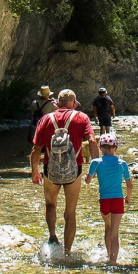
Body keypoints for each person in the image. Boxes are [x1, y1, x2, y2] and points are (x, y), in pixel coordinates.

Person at [31, 89, 100, 255]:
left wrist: (34, 171)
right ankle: (67, 252)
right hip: (74, 171)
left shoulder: (46, 119)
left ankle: (53, 236)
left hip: (50, 170)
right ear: (74, 102)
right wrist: (96, 166)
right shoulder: (82, 117)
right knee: (70, 212)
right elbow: (91, 140)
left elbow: (36, 149)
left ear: (57, 102)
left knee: (50, 204)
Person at [85, 133, 132, 265]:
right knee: (115, 233)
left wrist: (87, 177)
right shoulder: (122, 163)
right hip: (118, 199)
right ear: (115, 148)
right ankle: (113, 260)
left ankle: (108, 255)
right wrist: (128, 197)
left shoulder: (96, 162)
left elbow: (88, 181)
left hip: (104, 200)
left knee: (107, 227)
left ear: (101, 148)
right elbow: (129, 185)